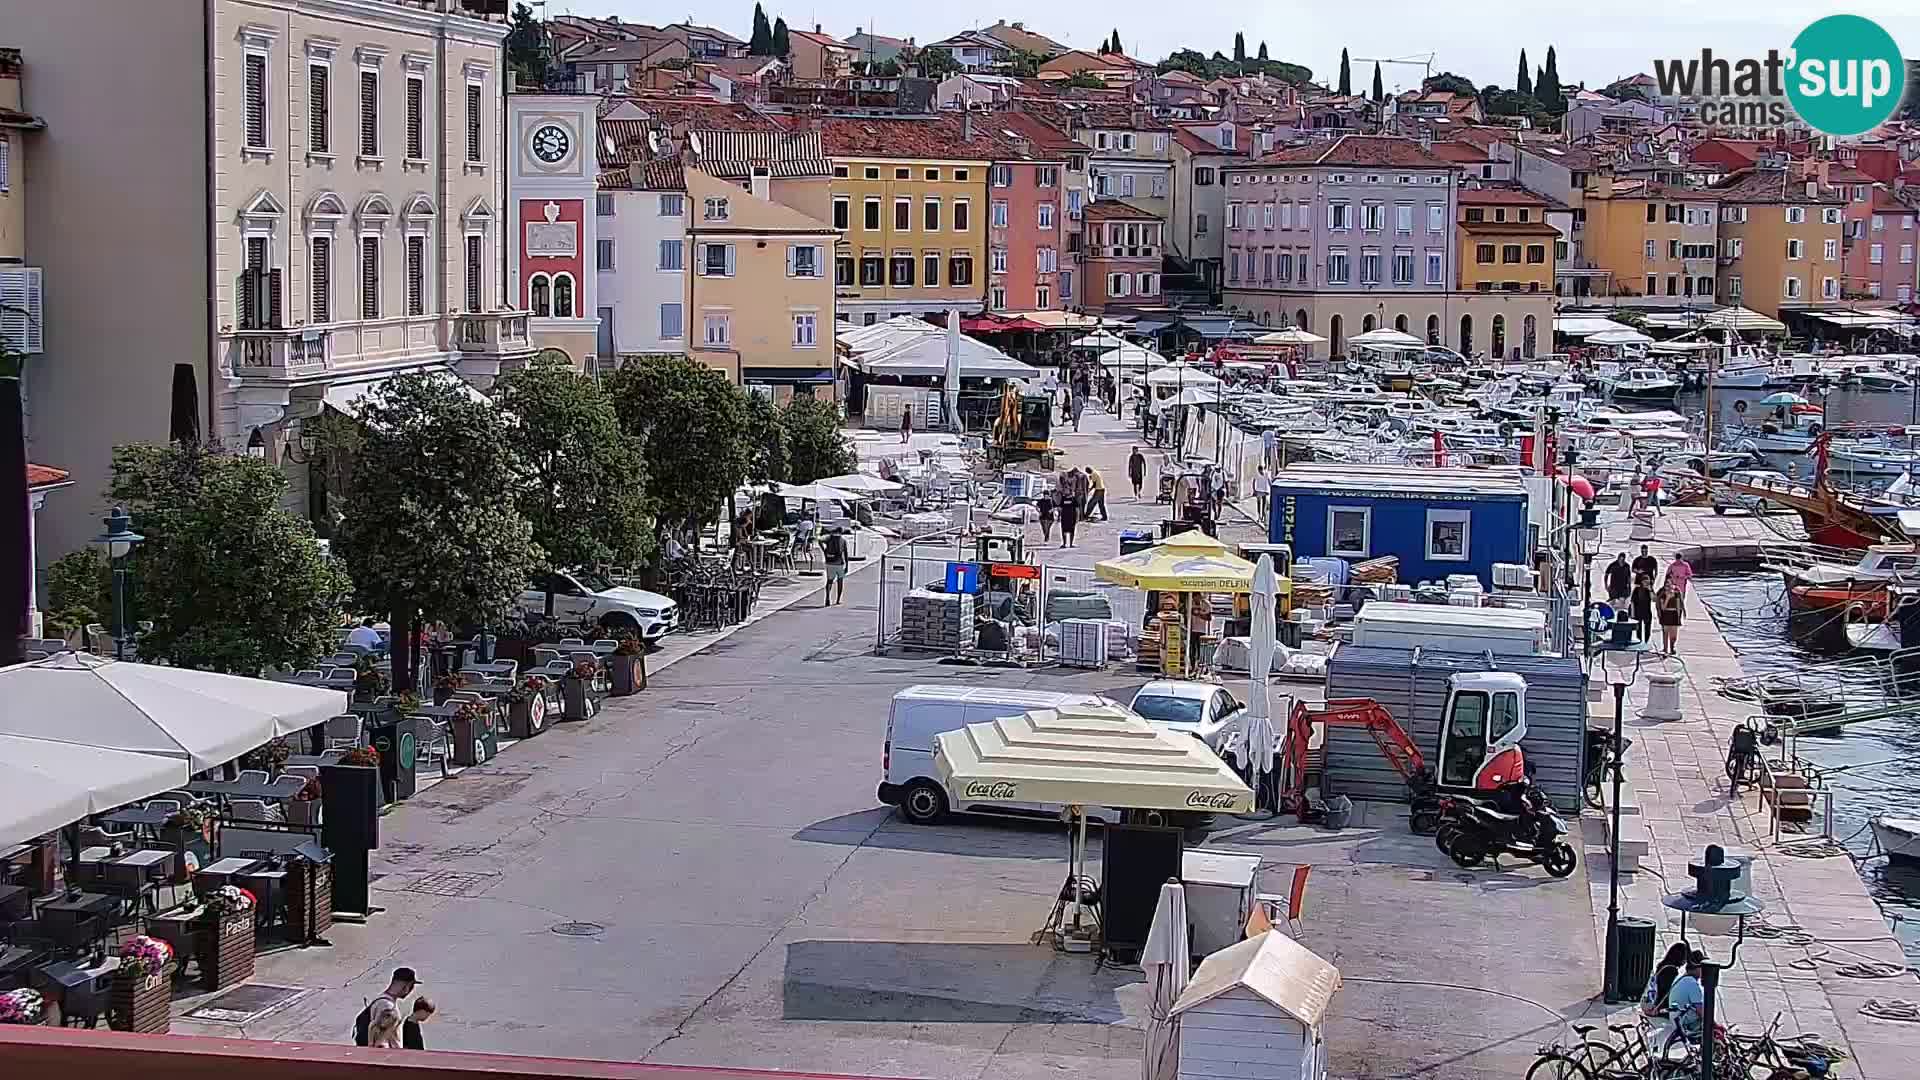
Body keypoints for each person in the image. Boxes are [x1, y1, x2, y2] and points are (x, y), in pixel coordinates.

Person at [354, 967, 419, 1048]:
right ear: (406, 986)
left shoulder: (380, 1000)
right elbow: (380, 1043)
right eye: (412, 986)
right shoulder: (388, 1007)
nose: (411, 990)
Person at [1641, 943, 1692, 1018]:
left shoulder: (1662, 965)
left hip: (1654, 1001)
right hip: (1660, 1006)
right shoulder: (1671, 970)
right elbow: (1668, 991)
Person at [1666, 953, 1707, 1040]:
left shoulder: (1680, 978)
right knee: (1710, 1026)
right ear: (1697, 968)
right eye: (1702, 968)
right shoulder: (1692, 984)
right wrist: (1714, 1024)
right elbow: (1702, 1012)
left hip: (1675, 1020)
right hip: (1684, 1024)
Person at [821, 527, 849, 606]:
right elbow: (846, 554)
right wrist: (847, 565)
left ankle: (827, 597)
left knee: (829, 581)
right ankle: (838, 599)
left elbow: (820, 540)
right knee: (840, 581)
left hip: (829, 563)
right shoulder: (843, 541)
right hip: (839, 563)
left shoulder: (829, 539)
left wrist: (824, 551)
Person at [1657, 583, 1684, 654]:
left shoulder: (1676, 595)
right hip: (1666, 614)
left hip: (1674, 614)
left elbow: (1678, 606)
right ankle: (1665, 649)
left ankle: (1672, 647)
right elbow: (1663, 607)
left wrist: (1679, 616)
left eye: (1670, 586)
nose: (1669, 588)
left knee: (1674, 635)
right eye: (1667, 587)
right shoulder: (1662, 595)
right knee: (1666, 633)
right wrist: (1668, 598)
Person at [1631, 573, 1655, 644]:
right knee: (1639, 629)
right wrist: (1632, 613)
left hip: (1647, 611)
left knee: (1647, 629)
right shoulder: (1637, 589)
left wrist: (1650, 590)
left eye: (1647, 581)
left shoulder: (1650, 590)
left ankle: (1646, 642)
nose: (1646, 583)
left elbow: (1654, 599)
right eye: (1645, 581)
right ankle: (1640, 642)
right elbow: (1632, 602)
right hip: (1638, 611)